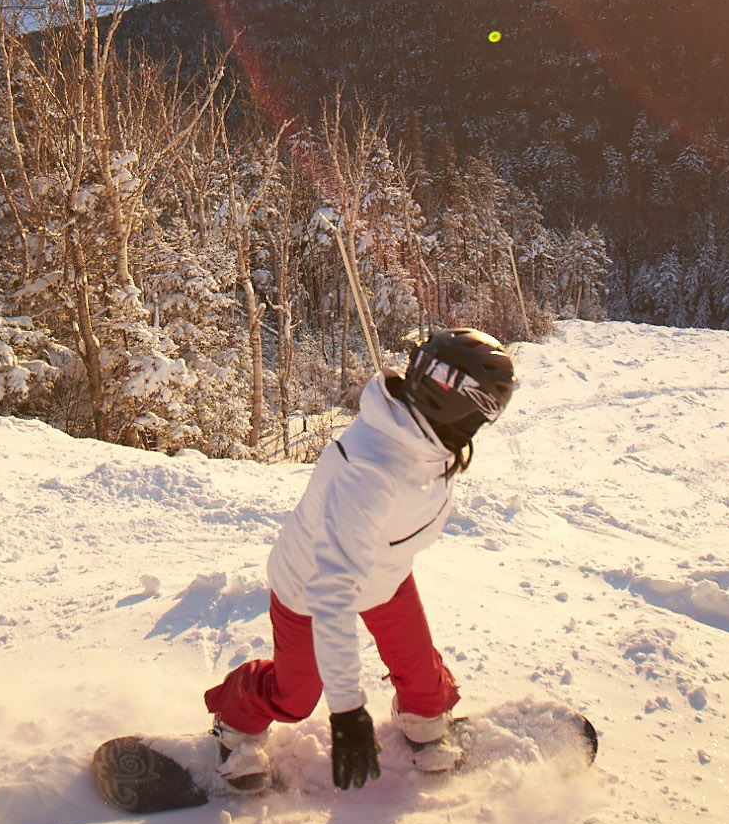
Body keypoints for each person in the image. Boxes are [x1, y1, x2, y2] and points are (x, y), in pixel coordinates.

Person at [201, 327, 517, 793]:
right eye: (483, 412)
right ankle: (236, 718)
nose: (478, 428)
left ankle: (423, 717)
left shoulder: (426, 436)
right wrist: (347, 712)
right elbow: (331, 595)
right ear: (454, 398)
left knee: (425, 684)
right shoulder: (372, 472)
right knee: (295, 696)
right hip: (311, 583)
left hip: (384, 574)